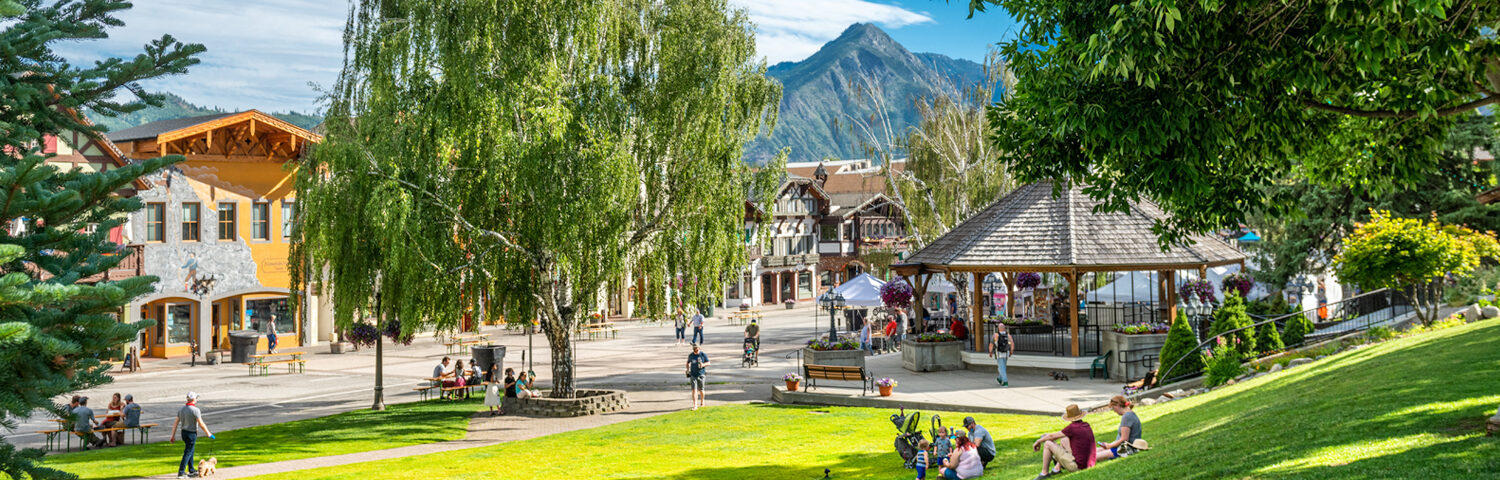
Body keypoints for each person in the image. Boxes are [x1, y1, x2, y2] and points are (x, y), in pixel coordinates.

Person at [1031, 404, 1095, 479]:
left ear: (1069, 418)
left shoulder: (1072, 428)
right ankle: (1057, 468)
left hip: (1078, 467)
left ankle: (1044, 473)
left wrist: (1038, 441)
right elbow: (1059, 434)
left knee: (1048, 444)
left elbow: (1052, 437)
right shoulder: (1086, 425)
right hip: (1090, 464)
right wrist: (1046, 436)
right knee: (1064, 439)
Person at [170, 392, 213, 479]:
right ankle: (181, 472)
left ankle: (191, 469)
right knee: (188, 452)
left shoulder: (181, 409)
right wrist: (208, 433)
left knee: (191, 450)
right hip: (191, 433)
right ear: (194, 399)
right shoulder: (195, 410)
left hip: (184, 433)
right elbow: (201, 423)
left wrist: (173, 436)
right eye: (196, 398)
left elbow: (175, 423)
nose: (197, 399)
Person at [1096, 395, 1145, 460]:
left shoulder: (1127, 416)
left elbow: (1124, 439)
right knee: (1092, 451)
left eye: (1114, 408)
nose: (1114, 411)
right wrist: (1109, 445)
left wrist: (1109, 446)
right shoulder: (1130, 414)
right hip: (1120, 447)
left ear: (1118, 405)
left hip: (1124, 449)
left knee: (1093, 457)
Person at [686, 343, 709, 411]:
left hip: (701, 374)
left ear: (699, 348)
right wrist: (687, 370)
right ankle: (695, 405)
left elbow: (708, 362)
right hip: (693, 375)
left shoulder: (703, 355)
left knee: (701, 390)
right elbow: (687, 363)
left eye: (697, 350)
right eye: (694, 350)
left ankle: (702, 401)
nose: (695, 351)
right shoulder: (691, 355)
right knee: (694, 390)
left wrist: (703, 365)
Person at [990, 323, 1014, 387]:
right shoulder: (1008, 335)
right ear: (1004, 328)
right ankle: (999, 378)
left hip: (999, 353)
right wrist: (1011, 351)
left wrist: (990, 352)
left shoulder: (995, 335)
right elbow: (1012, 343)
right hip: (1006, 353)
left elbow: (991, 344)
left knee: (1001, 367)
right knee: (1003, 367)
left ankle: (1005, 381)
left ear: (998, 328)